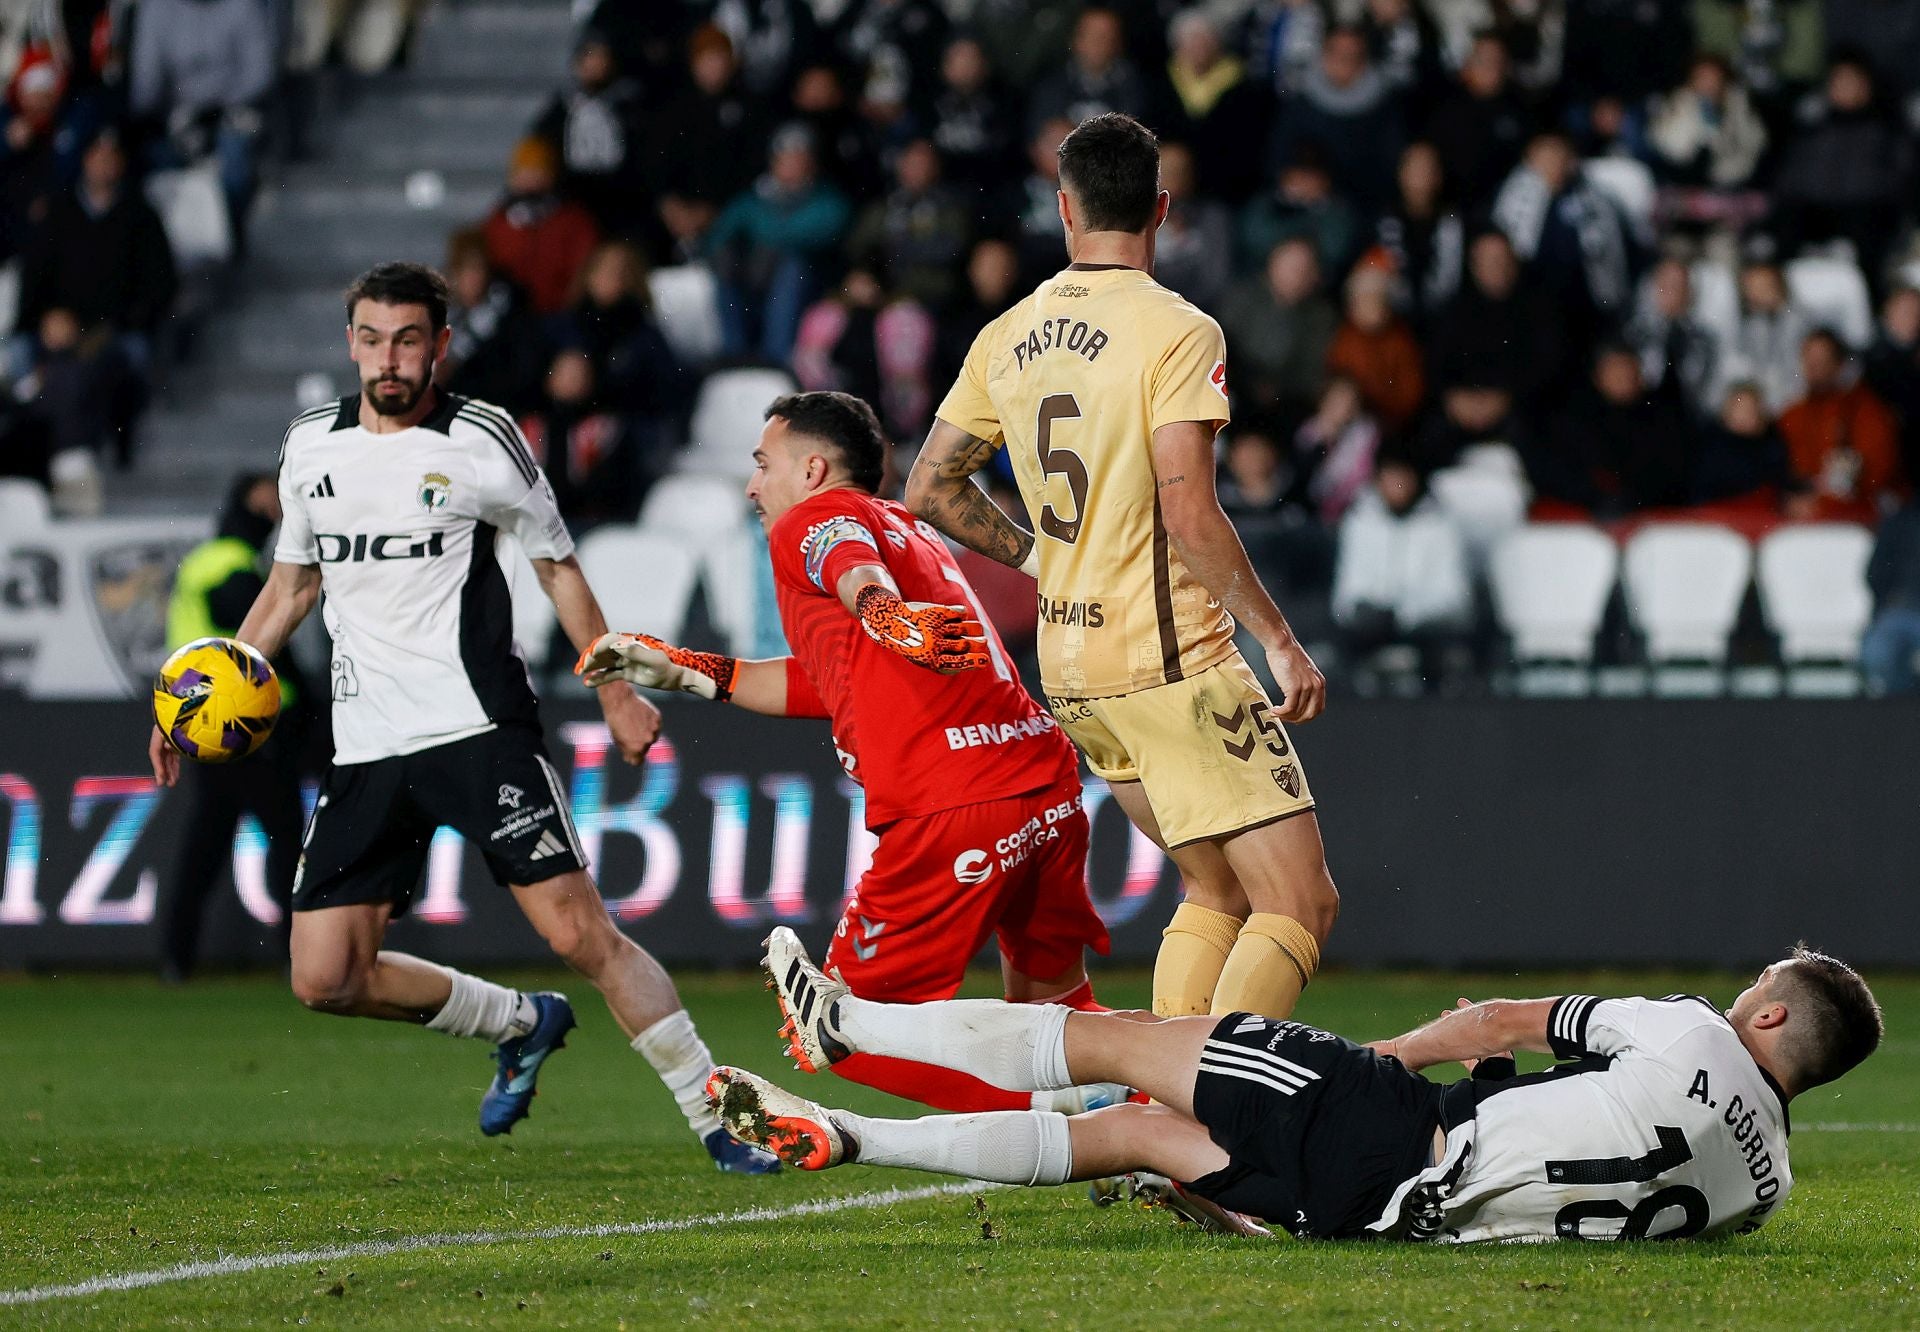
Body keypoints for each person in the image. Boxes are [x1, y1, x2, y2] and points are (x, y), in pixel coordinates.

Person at [144, 262, 779, 1174]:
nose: (389, 358)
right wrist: (193, 705)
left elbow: (558, 565)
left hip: (478, 729)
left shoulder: (483, 437)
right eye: (372, 338)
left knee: (581, 935)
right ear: (350, 343)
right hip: (365, 746)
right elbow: (290, 587)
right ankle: (521, 1023)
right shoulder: (311, 448)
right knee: (324, 978)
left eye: (409, 339)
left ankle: (721, 1119)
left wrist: (612, 687)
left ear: (439, 345)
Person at [907, 113, 1338, 1028]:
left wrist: (1042, 556)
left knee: (1214, 890)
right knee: (1300, 904)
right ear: (1162, 209)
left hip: (1072, 668)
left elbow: (931, 487)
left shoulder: (1006, 334)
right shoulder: (1178, 331)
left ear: (1064, 208)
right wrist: (1280, 639)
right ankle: (1221, 1122)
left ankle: (1166, 1128)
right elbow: (1189, 509)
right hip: (1169, 658)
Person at [576, 391, 1117, 1115]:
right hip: (1041, 782)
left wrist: (883, 612)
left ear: (812, 470)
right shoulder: (907, 527)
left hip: (951, 804)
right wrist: (689, 670)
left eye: (763, 464)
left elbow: (850, 568)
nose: (751, 485)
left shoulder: (814, 519)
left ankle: (1088, 1118)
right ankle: (1179, 1116)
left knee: (841, 1034)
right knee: (1054, 999)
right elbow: (834, 683)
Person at [723, 930, 1882, 1243]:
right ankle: (853, 1133)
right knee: (1135, 1133)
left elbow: (1497, 1022)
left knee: (1129, 1040)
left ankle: (848, 1024)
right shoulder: (1765, 1189)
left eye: (1756, 986)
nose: (1741, 994)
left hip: (1388, 1129)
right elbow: (1576, 1130)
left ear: (1770, 1013)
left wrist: (1378, 1061)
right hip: (1379, 1220)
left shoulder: (1687, 1032)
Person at [158, 472, 313, 983]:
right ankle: (300, 953)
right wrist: (311, 697)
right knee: (287, 839)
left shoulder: (208, 561)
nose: (273, 515)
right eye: (266, 506)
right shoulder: (229, 565)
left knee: (208, 840)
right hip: (250, 725)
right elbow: (258, 646)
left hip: (208, 725)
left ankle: (176, 955)